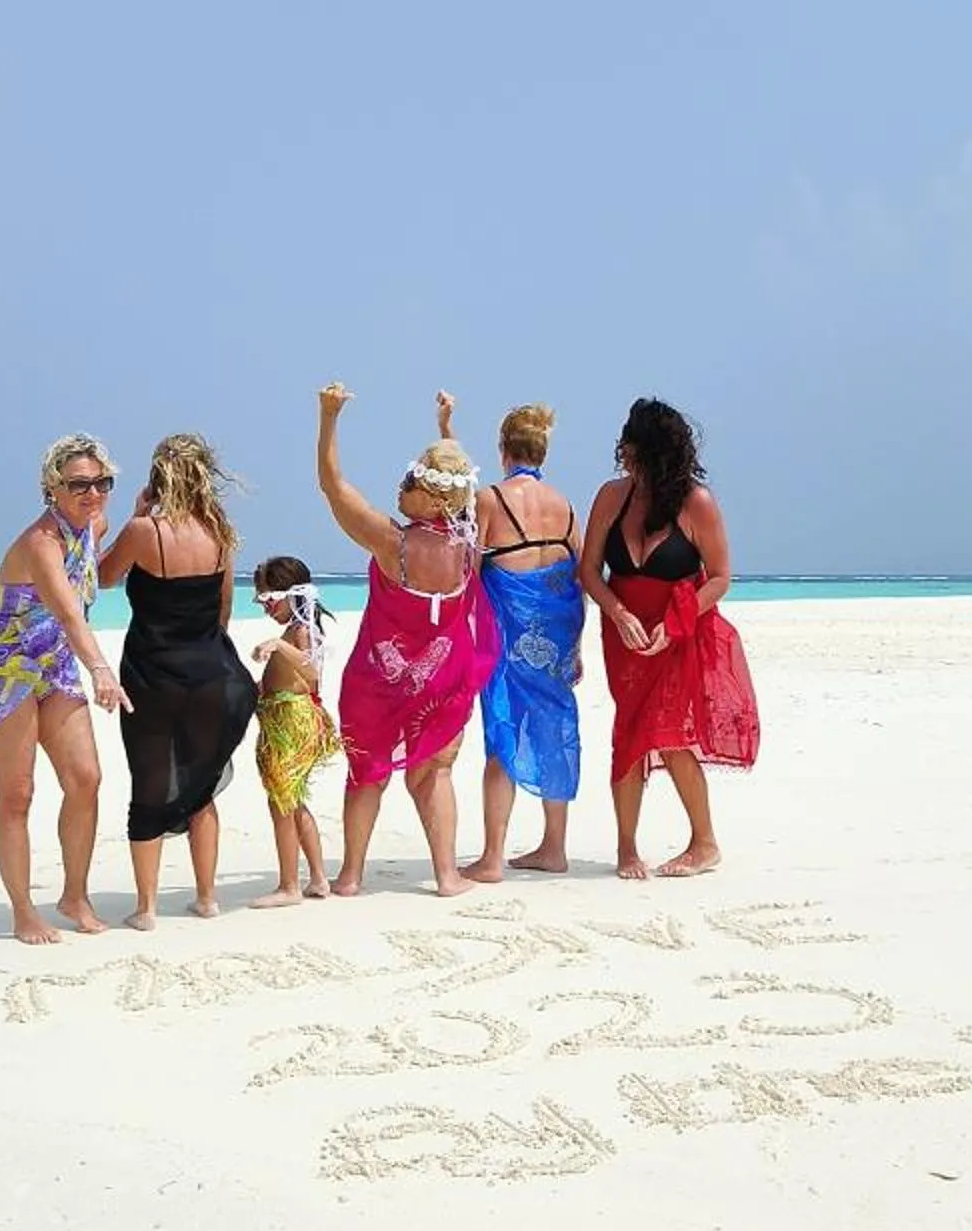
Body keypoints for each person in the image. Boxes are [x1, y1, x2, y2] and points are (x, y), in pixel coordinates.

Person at [312, 382, 499, 898]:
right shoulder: (467, 546)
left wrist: (328, 418)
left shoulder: (392, 541)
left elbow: (332, 485)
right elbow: (461, 484)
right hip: (445, 673)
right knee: (435, 771)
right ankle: (445, 875)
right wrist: (445, 431)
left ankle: (350, 876)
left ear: (429, 494)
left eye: (409, 479)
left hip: (383, 673)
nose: (399, 487)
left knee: (368, 770)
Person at [577, 397, 760, 879]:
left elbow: (720, 577)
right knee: (628, 732)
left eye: (634, 452)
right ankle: (626, 848)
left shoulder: (697, 503)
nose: (626, 460)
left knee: (672, 735)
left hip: (677, 636)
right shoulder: (611, 497)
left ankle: (704, 843)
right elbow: (589, 571)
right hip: (625, 637)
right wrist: (616, 613)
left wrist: (676, 622)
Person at [0, 434, 132, 944]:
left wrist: (146, 509)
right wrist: (102, 669)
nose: (93, 494)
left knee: (85, 778)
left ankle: (74, 895)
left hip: (55, 663)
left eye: (102, 483)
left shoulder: (93, 523)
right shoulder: (42, 543)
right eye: (79, 484)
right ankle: (23, 911)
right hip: (8, 670)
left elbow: (96, 558)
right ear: (52, 488)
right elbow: (65, 610)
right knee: (17, 794)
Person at [92, 434, 258, 922]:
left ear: (158, 477)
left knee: (150, 781)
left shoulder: (148, 531)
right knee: (200, 783)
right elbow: (224, 607)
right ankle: (207, 898)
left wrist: (133, 515)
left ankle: (145, 908)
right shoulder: (220, 533)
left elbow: (102, 578)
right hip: (212, 671)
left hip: (152, 673)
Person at [448, 394, 587, 885]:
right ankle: (554, 846)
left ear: (505, 450)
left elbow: (468, 565)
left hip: (506, 640)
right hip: (555, 639)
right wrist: (578, 646)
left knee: (502, 737)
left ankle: (492, 857)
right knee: (555, 729)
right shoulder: (566, 507)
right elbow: (579, 578)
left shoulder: (491, 499)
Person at [244, 555, 340, 908]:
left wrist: (278, 645)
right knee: (294, 801)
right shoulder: (292, 631)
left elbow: (312, 673)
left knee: (281, 803)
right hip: (277, 717)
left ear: (295, 594)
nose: (266, 607)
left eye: (271, 599)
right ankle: (317, 878)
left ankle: (289, 885)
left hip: (292, 723)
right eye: (262, 601)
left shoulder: (302, 631)